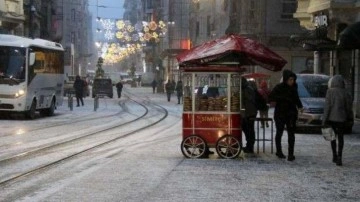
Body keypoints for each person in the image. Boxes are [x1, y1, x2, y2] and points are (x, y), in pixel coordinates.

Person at [268, 70, 303, 161]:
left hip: (291, 114)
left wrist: (300, 106)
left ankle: (291, 154)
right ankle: (279, 151)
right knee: (279, 132)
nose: (292, 81)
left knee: (291, 134)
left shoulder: (294, 87)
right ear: (286, 79)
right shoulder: (279, 87)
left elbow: (296, 98)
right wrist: (283, 98)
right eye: (290, 79)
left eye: (293, 80)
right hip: (280, 113)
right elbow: (270, 97)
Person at [322, 75, 353, 166]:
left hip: (332, 119)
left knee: (332, 138)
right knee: (341, 137)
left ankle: (334, 155)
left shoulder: (330, 92)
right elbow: (348, 107)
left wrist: (324, 119)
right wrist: (349, 117)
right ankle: (340, 156)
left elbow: (327, 107)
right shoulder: (345, 92)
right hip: (342, 118)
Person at [241, 78, 258, 153]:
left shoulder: (246, 89)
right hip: (250, 112)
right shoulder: (249, 88)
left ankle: (250, 147)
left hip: (249, 113)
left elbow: (247, 100)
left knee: (249, 130)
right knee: (249, 129)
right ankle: (249, 146)